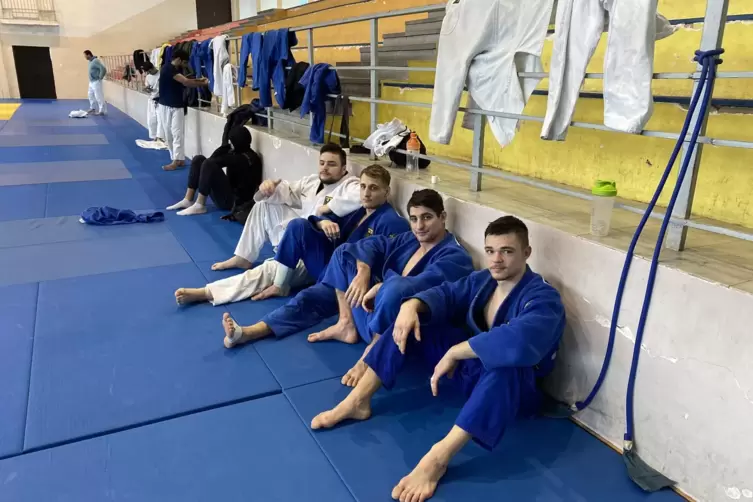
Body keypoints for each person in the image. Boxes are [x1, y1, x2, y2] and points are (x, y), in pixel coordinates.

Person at [309, 216, 566, 502]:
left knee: (506, 369)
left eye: (507, 251)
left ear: (526, 253)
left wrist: (456, 351)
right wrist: (411, 305)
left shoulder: (543, 296)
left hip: (514, 392)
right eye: (490, 251)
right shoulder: (483, 280)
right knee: (407, 322)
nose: (496, 260)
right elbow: (447, 293)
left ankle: (437, 458)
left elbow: (519, 341)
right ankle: (358, 400)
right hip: (473, 372)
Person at [221, 189, 475, 388]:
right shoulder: (410, 238)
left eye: (427, 218)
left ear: (442, 217)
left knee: (394, 287)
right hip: (365, 309)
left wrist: (383, 285)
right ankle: (252, 331)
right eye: (415, 219)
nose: (419, 226)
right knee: (335, 263)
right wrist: (363, 271)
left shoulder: (455, 256)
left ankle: (370, 353)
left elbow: (424, 285)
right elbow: (372, 245)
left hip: (393, 333)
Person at [174, 164, 408, 305]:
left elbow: (390, 262)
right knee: (278, 215)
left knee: (269, 269)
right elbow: (290, 196)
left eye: (373, 188)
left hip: (337, 270)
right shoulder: (325, 189)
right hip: (314, 248)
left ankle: (209, 292)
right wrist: (321, 218)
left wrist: (326, 210)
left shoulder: (361, 198)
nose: (366, 192)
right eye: (322, 163)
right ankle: (246, 261)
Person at [211, 143, 361, 271]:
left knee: (267, 273)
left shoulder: (350, 184)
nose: (325, 168)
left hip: (316, 245)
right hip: (297, 232)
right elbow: (288, 190)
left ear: (343, 169)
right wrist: (270, 189)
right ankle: (243, 257)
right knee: (264, 204)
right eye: (322, 163)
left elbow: (361, 196)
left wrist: (327, 208)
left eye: (332, 164)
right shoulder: (312, 181)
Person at [165, 126, 262, 216]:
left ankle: (200, 204)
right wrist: (225, 147)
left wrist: (225, 148)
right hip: (229, 193)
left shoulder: (248, 158)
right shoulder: (239, 151)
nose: (230, 145)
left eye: (231, 142)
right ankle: (188, 199)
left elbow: (213, 162)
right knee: (198, 159)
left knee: (208, 164)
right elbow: (213, 158)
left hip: (234, 202)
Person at [158, 49, 209, 171]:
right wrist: (203, 83)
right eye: (185, 62)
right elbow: (186, 82)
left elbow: (185, 80)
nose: (186, 65)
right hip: (165, 105)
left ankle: (177, 160)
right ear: (179, 60)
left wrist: (200, 81)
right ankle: (177, 158)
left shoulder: (177, 70)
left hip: (177, 106)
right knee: (168, 133)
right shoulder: (167, 68)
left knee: (177, 133)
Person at [142, 62, 164, 143]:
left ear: (152, 68)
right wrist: (147, 89)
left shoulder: (161, 74)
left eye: (149, 71)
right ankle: (154, 136)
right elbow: (147, 86)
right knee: (151, 120)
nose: (149, 73)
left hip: (161, 100)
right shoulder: (148, 77)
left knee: (160, 119)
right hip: (152, 99)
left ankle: (160, 137)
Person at [84, 50, 107, 116]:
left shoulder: (95, 61)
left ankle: (102, 111)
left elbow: (103, 69)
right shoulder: (90, 62)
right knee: (90, 94)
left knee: (98, 96)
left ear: (88, 55)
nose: (84, 57)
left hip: (96, 81)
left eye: (85, 55)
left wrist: (100, 77)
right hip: (91, 82)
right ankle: (92, 108)